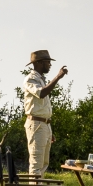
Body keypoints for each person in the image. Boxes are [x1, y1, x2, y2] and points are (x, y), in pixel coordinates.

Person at [22, 49, 68, 177]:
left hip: (44, 125)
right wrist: (58, 76)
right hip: (36, 124)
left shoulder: (41, 79)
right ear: (40, 63)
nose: (50, 65)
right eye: (48, 62)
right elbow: (41, 93)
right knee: (36, 164)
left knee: (44, 163)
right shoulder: (30, 79)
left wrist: (48, 129)